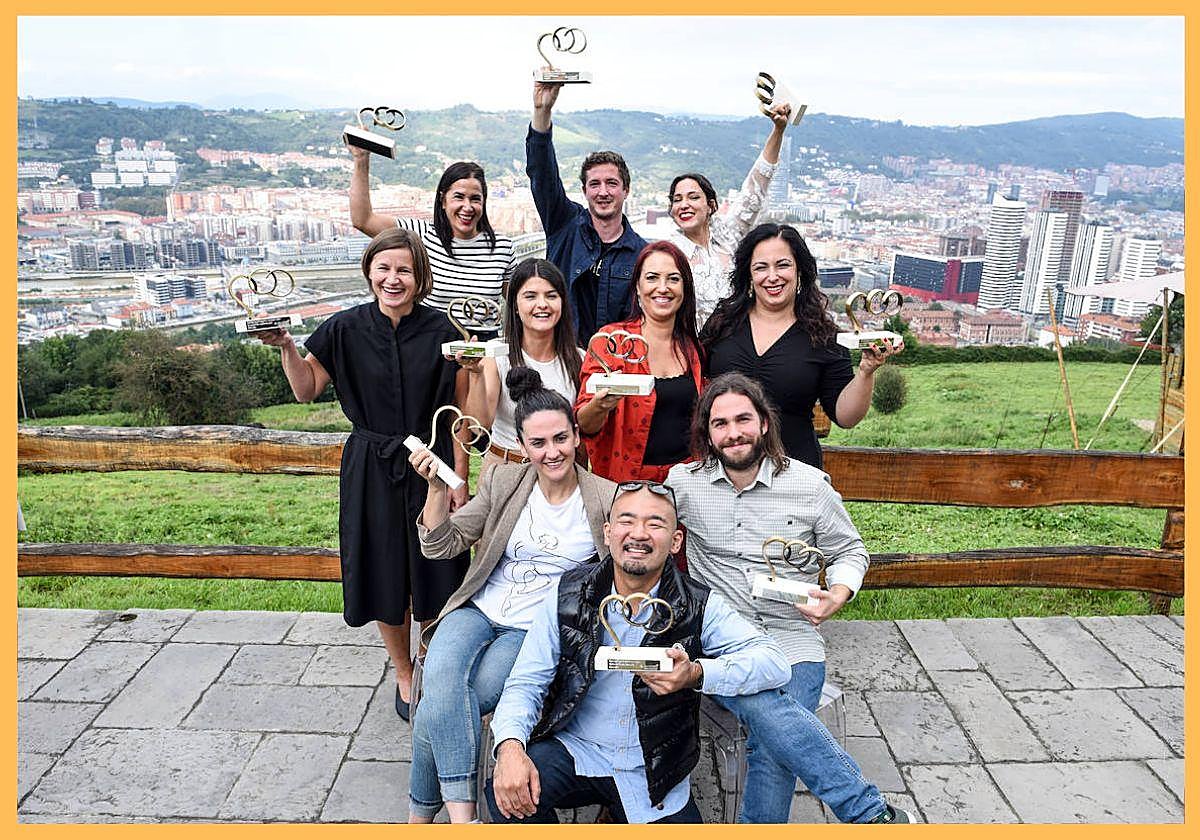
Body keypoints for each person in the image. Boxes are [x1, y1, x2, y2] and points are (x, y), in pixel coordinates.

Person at [666, 372, 905, 823]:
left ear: (763, 423)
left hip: (793, 637)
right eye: (720, 424)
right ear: (707, 432)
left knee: (771, 731)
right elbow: (643, 523)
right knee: (772, 715)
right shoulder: (684, 483)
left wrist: (838, 592)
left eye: (743, 419)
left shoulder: (810, 485)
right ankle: (870, 815)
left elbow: (850, 550)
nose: (733, 432)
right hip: (722, 638)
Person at [484, 482, 790, 824]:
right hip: (577, 749)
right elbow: (526, 680)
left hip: (653, 771)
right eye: (627, 521)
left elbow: (774, 662)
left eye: (655, 523)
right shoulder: (568, 593)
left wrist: (697, 674)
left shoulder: (699, 604)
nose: (639, 534)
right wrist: (510, 746)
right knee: (507, 796)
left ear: (676, 541)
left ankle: (618, 815)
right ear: (608, 532)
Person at [259, 228, 469, 722]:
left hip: (431, 464)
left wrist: (458, 479)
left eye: (404, 270)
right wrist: (288, 346)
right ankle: (402, 670)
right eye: (384, 268)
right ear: (369, 272)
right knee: (382, 570)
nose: (393, 279)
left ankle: (433, 659)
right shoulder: (343, 328)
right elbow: (306, 389)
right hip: (369, 465)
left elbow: (460, 413)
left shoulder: (445, 331)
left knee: (438, 569)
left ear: (421, 278)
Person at [407, 367, 615, 824]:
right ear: (522, 446)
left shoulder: (605, 498)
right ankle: (464, 822)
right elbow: (441, 544)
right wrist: (437, 488)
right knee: (443, 678)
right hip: (479, 607)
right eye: (537, 444)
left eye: (560, 439)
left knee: (444, 703)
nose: (551, 452)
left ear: (577, 435)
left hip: (536, 628)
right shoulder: (505, 482)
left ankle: (419, 822)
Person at [700, 224, 904, 469]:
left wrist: (866, 371)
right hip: (725, 471)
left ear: (799, 271)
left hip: (794, 473)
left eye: (783, 265)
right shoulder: (723, 323)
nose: (772, 276)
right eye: (761, 267)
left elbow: (845, 416)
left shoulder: (823, 336)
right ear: (749, 275)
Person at [573, 241, 703, 483]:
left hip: (687, 483)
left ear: (685, 288)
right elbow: (583, 424)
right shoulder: (612, 343)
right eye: (652, 278)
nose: (662, 288)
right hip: (627, 483)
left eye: (673, 279)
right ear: (637, 286)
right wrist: (601, 405)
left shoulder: (694, 349)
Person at [527, 76, 646, 339]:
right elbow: (542, 174)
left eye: (611, 183)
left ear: (626, 189)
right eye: (595, 184)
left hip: (613, 365)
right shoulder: (564, 225)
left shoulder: (641, 253)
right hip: (561, 355)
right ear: (584, 191)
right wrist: (542, 111)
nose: (603, 192)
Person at [348, 143, 517, 318]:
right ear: (443, 201)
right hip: (432, 340)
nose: (467, 207)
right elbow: (363, 220)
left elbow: (517, 304)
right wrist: (361, 159)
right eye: (458, 197)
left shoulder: (502, 247)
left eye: (475, 199)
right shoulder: (421, 235)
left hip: (485, 343)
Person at [668, 103, 792, 325]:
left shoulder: (730, 233)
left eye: (693, 197)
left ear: (711, 205)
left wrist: (778, 130)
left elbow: (757, 185)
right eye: (677, 200)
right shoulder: (669, 253)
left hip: (740, 346)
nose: (684, 204)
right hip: (695, 352)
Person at [459, 259, 585, 472]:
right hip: (504, 468)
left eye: (551, 295)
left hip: (559, 474)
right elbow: (479, 426)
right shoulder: (496, 353)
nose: (542, 304)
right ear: (515, 305)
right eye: (530, 296)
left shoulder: (579, 358)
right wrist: (476, 373)